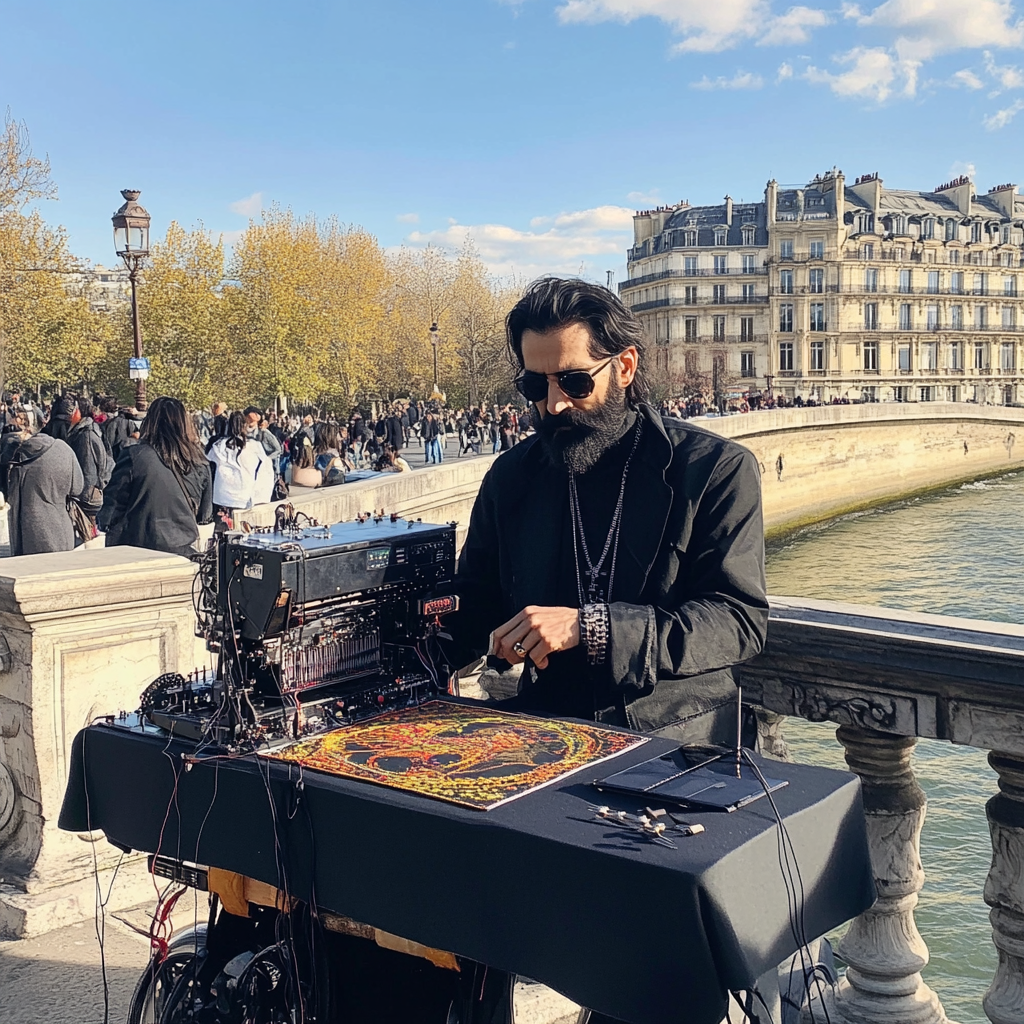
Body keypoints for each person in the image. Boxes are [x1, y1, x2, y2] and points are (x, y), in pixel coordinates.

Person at [449, 277, 768, 747]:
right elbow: (473, 603)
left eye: (574, 381)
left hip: (678, 741)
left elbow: (737, 620)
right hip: (547, 735)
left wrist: (593, 626)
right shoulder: (512, 476)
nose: (553, 404)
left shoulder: (715, 469)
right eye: (535, 385)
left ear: (624, 366)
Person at [99, 396, 213, 558]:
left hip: (136, 549)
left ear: (150, 422)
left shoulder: (134, 456)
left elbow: (111, 508)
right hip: (181, 550)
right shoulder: (200, 461)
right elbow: (204, 514)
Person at [5, 427, 83, 556]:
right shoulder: (64, 449)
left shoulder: (19, 460)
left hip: (28, 530)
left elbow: (11, 496)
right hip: (61, 525)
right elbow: (77, 488)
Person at [207, 410, 273, 517]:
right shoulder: (254, 447)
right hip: (245, 496)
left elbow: (207, 467)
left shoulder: (217, 447)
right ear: (245, 426)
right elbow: (266, 470)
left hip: (221, 496)